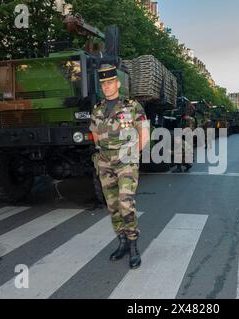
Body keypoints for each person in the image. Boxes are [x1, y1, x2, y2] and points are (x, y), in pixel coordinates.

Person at [89, 65, 149, 269]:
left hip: (126, 162)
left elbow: (145, 134)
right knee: (113, 205)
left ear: (118, 83)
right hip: (105, 162)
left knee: (125, 202)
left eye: (109, 83)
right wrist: (101, 152)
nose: (106, 87)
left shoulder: (132, 106)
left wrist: (131, 155)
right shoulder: (97, 109)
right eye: (103, 84)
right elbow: (95, 134)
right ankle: (122, 242)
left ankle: (133, 245)